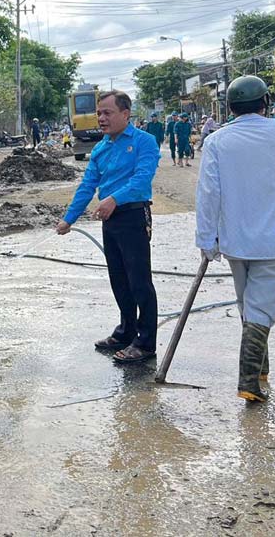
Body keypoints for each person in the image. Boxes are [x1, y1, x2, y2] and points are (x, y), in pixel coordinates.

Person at [195, 75, 275, 402]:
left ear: (230, 106)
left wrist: (207, 241)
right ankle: (248, 379)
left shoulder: (217, 141)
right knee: (261, 308)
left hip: (235, 239)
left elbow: (207, 194)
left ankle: (261, 368)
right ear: (264, 103)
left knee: (249, 304)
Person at [55, 90, 161, 364]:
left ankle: (146, 342)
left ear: (125, 114)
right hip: (110, 219)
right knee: (119, 279)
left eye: (107, 113)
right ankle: (126, 330)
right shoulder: (101, 148)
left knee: (139, 281)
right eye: (99, 113)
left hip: (133, 216)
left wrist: (114, 199)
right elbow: (88, 185)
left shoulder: (144, 142)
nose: (101, 118)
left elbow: (142, 180)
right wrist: (69, 218)